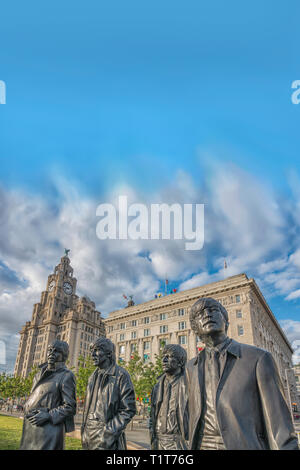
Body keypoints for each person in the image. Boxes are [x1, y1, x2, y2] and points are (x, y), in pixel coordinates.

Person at [186, 297, 299, 450]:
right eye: (200, 314)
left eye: (213, 310)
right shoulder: (190, 367)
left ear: (226, 321)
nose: (207, 315)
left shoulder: (258, 358)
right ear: (194, 329)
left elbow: (280, 428)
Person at [20, 340, 76, 450]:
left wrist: (49, 415)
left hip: (48, 431)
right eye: (50, 350)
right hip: (30, 428)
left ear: (64, 355)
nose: (51, 353)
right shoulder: (38, 374)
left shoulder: (66, 375)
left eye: (56, 351)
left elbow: (70, 407)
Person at [81, 337, 136, 450]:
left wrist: (108, 433)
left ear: (109, 353)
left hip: (107, 438)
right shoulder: (92, 377)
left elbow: (128, 409)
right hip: (88, 436)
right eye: (91, 351)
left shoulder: (121, 375)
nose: (92, 355)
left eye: (96, 350)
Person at [149, 344, 188, 450]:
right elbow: (152, 416)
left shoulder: (189, 384)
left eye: (169, 356)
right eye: (163, 356)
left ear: (180, 362)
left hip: (179, 442)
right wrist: (153, 440)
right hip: (158, 441)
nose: (164, 360)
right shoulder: (157, 386)